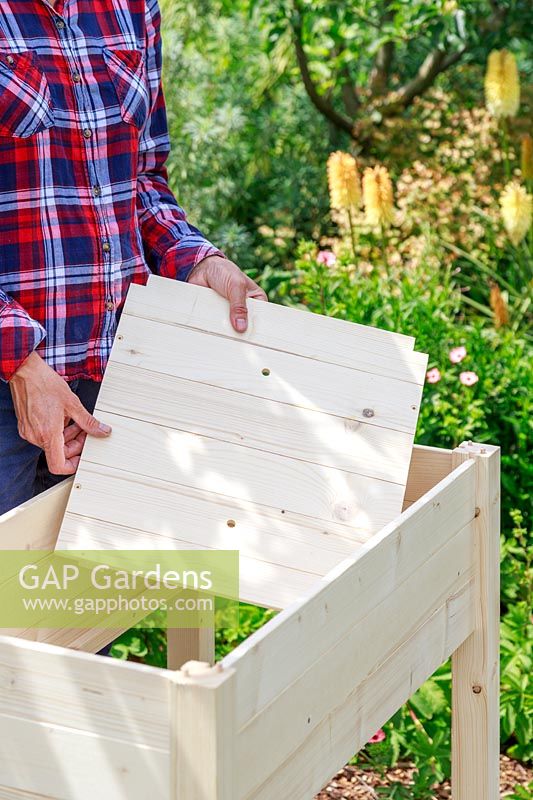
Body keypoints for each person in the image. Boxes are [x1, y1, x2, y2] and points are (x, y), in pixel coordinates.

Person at [0, 0, 267, 515]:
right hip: (8, 384)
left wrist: (196, 259)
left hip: (118, 378)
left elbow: (140, 179)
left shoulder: (131, 8)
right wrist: (20, 362)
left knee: (106, 593)